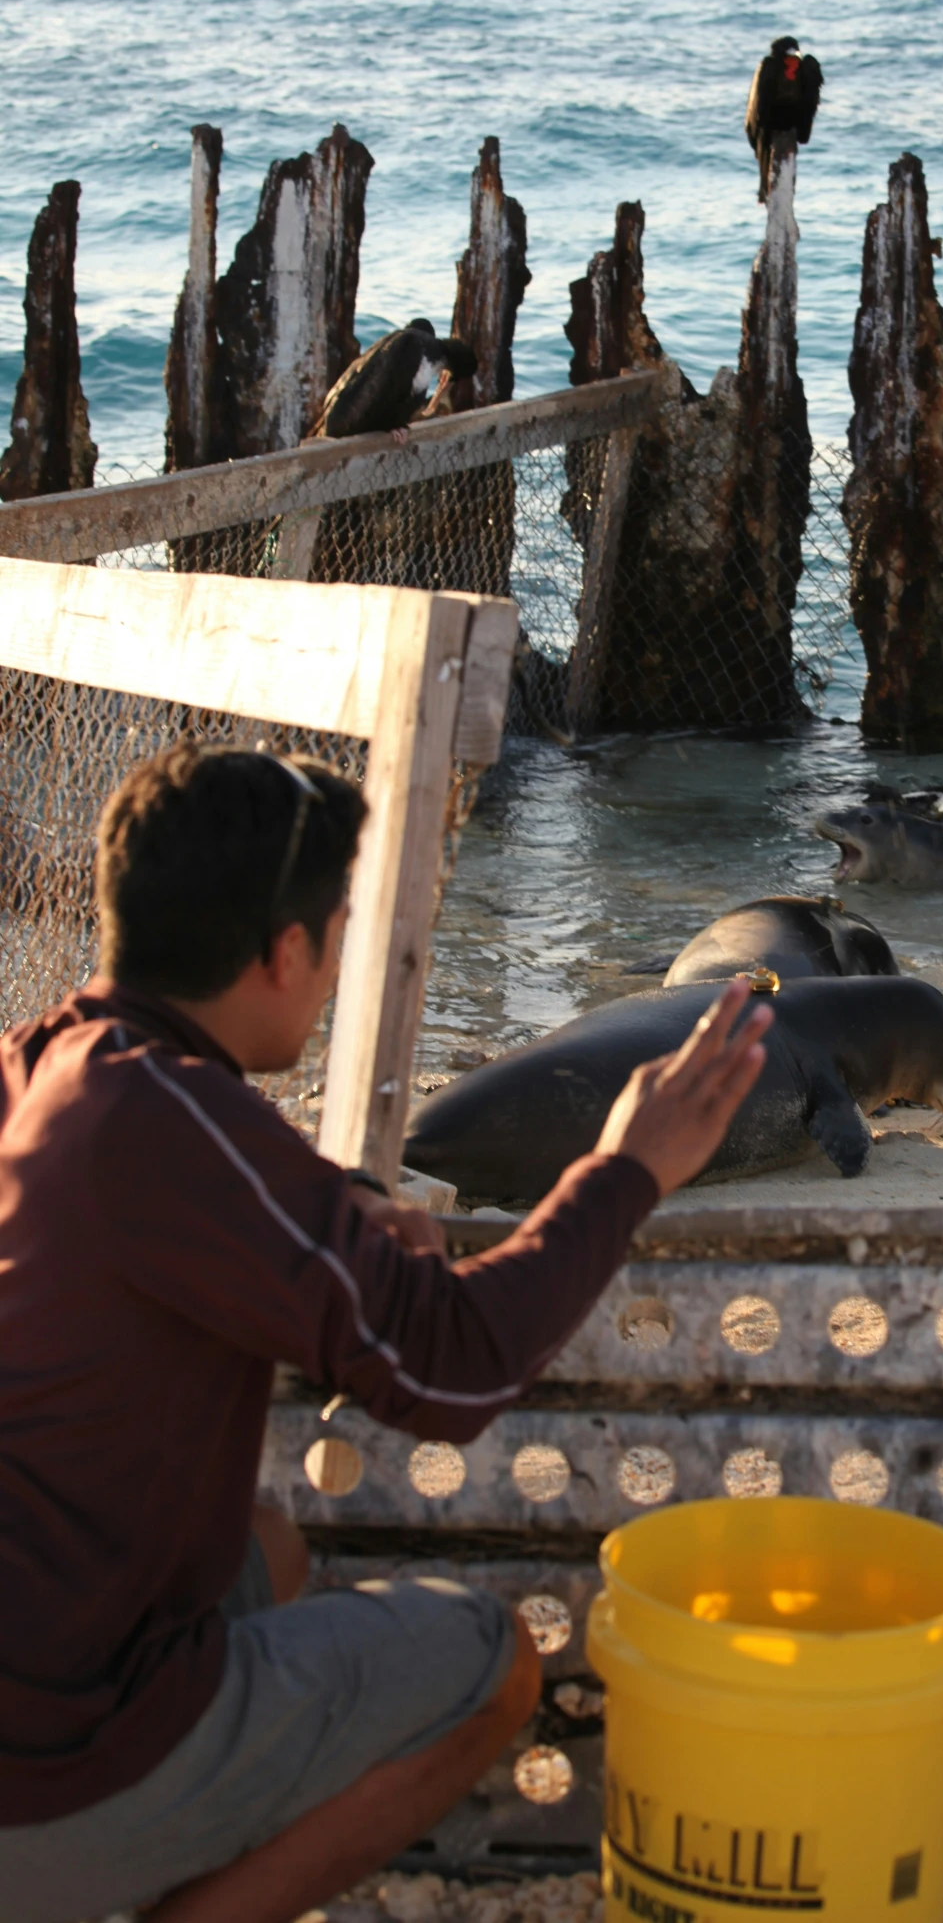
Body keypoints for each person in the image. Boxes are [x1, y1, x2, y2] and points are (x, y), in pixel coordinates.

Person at [0, 745, 771, 1923]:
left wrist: (341, 1216)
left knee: (271, 1551)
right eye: (341, 927)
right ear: (284, 953)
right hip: (49, 1772)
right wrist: (626, 1168)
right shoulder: (171, 1121)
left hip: (37, 1663)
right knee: (488, 1664)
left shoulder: (51, 1064)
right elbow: (449, 1370)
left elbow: (206, 1225)